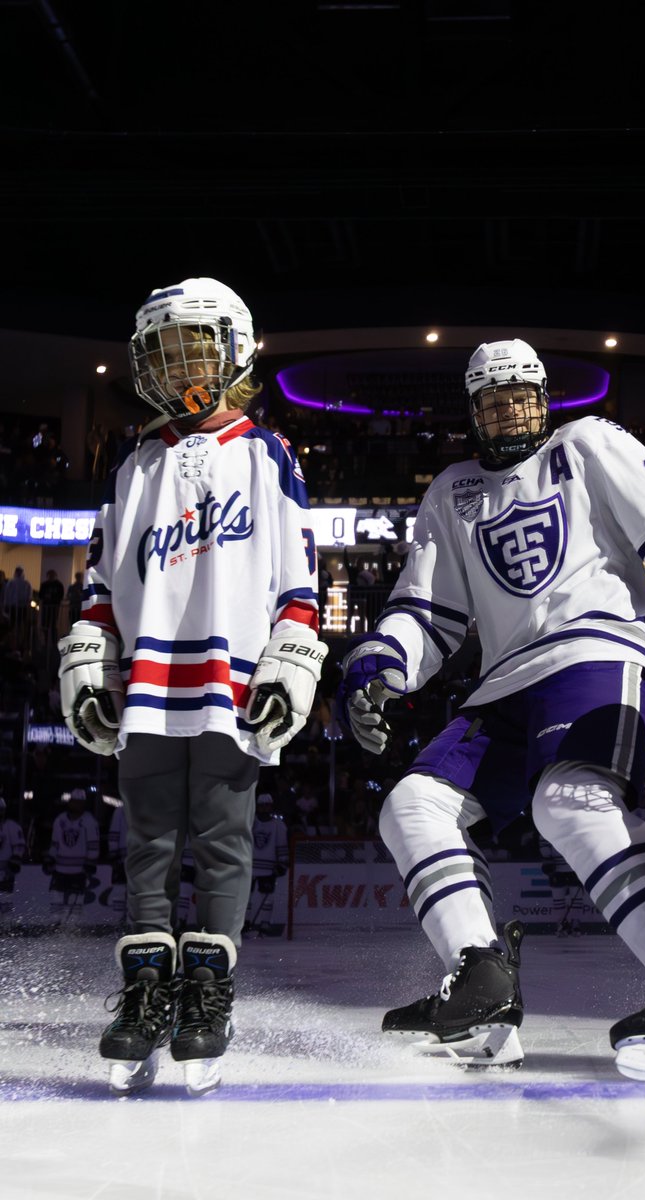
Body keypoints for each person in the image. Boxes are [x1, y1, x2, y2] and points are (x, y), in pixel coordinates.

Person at [338, 337, 645, 1072]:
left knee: (568, 803)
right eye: (492, 402)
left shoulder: (589, 444)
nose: (508, 412)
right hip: (502, 681)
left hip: (594, 652)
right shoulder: (451, 491)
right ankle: (481, 980)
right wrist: (382, 659)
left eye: (521, 396)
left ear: (545, 398)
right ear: (473, 412)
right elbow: (426, 614)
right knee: (410, 805)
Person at [56, 278, 326, 1096]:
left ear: (234, 349)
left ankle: (206, 991)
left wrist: (291, 652)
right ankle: (145, 990)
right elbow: (104, 583)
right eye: (163, 353)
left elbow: (300, 575)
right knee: (148, 843)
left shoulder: (267, 451)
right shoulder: (135, 464)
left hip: (229, 679)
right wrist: (89, 657)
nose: (177, 367)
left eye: (192, 349)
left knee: (221, 838)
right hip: (146, 679)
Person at [45, 788, 100, 920]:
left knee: (76, 901)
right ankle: (55, 925)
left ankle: (73, 929)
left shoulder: (89, 821)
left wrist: (91, 862)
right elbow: (55, 843)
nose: (76, 805)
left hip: (79, 870)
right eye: (74, 801)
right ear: (69, 802)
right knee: (55, 897)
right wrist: (50, 858)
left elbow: (93, 845)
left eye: (79, 802)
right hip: (60, 868)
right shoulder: (60, 820)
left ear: (84, 804)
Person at [246, 794, 289, 936]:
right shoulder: (251, 822)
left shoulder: (278, 825)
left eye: (267, 805)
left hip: (268, 868)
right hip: (250, 866)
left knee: (268, 896)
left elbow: (281, 845)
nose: (264, 808)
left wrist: (282, 863)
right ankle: (245, 922)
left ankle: (264, 923)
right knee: (247, 897)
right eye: (262, 805)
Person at [0, 795, 27, 917]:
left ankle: (5, 927)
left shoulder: (11, 826)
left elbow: (19, 845)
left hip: (5, 868)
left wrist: (16, 858)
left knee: (5, 898)